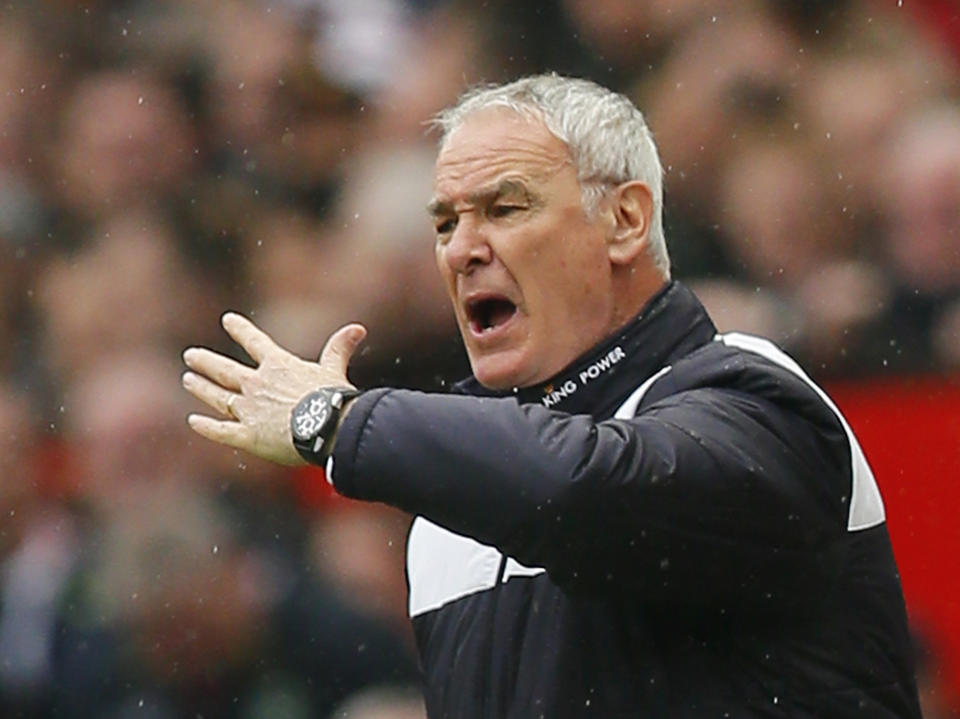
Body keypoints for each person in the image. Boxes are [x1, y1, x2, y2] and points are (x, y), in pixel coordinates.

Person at [181, 74, 922, 718]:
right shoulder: (447, 524)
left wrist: (340, 421)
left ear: (626, 220)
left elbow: (586, 492)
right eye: (445, 221)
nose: (461, 249)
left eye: (505, 209)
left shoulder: (752, 390)